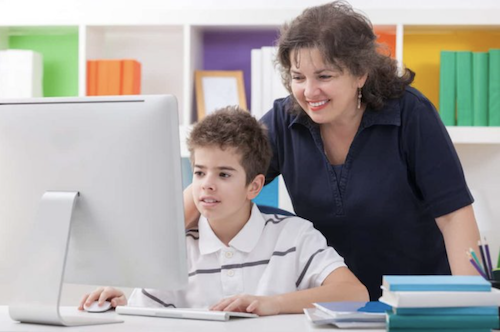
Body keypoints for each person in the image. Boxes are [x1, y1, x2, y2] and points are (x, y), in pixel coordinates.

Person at [184, 1, 482, 300]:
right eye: (298, 77)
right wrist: (150, 251)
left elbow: (454, 216)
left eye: (324, 76)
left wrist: (470, 305)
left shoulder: (410, 114)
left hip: (416, 301)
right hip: (333, 304)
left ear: (360, 74)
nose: (309, 92)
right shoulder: (284, 121)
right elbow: (220, 173)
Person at [79, 106, 368, 316]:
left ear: (254, 186)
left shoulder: (293, 237)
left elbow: (354, 293)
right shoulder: (178, 249)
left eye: (224, 175)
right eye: (200, 173)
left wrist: (273, 303)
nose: (207, 186)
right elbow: (147, 318)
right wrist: (118, 306)